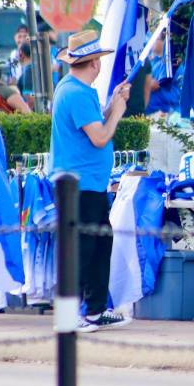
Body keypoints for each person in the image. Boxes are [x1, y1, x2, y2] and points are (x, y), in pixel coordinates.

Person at [50, 30, 133, 332]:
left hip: (90, 185)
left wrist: (112, 103)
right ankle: (69, 313)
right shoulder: (75, 93)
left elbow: (95, 123)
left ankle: (95, 311)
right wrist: (119, 112)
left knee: (100, 244)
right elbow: (99, 136)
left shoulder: (76, 90)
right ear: (94, 64)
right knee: (81, 250)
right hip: (79, 187)